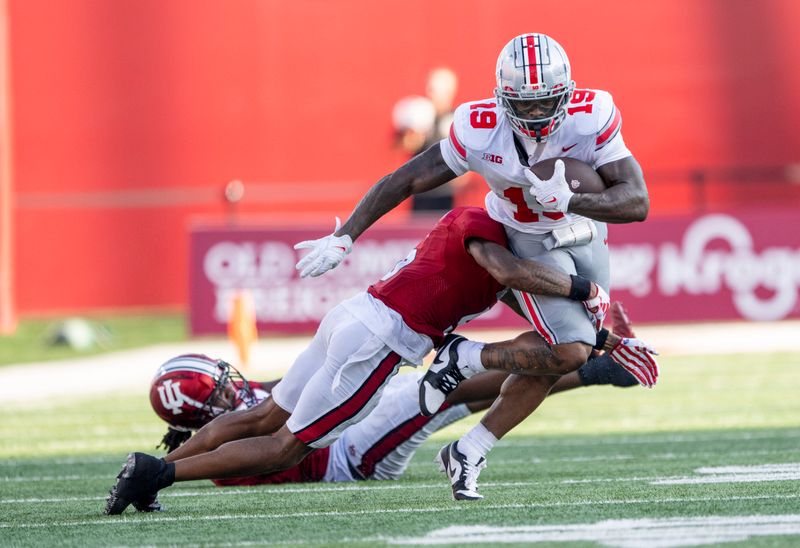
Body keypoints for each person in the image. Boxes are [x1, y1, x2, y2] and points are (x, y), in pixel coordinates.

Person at [287, 32, 652, 500]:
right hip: (524, 238)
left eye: (548, 103)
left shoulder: (592, 113)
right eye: (526, 105)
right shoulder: (480, 126)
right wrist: (347, 234)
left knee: (563, 346)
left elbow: (637, 201)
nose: (538, 115)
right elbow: (410, 176)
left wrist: (574, 200)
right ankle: (466, 363)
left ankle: (470, 442)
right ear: (503, 101)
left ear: (567, 94)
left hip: (582, 228)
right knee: (573, 348)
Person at [104, 207, 653, 515]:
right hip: (377, 359)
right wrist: (587, 293)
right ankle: (160, 473)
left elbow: (509, 288)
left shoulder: (461, 228)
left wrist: (573, 330)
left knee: (265, 418)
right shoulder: (485, 233)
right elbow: (511, 275)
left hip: (354, 315)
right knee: (287, 443)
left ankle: (157, 473)